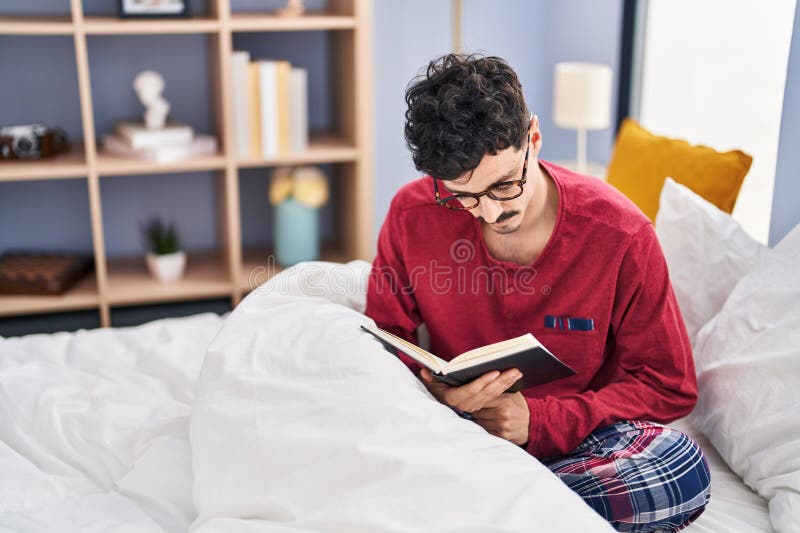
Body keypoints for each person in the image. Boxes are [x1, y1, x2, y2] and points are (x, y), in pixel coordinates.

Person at [365, 53, 710, 532]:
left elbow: (669, 383)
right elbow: (383, 339)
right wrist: (433, 393)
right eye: (463, 197)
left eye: (504, 185)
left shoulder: (621, 234)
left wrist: (541, 422)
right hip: (450, 433)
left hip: (577, 445)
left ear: (534, 137)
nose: (487, 213)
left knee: (681, 469)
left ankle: (475, 510)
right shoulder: (412, 214)